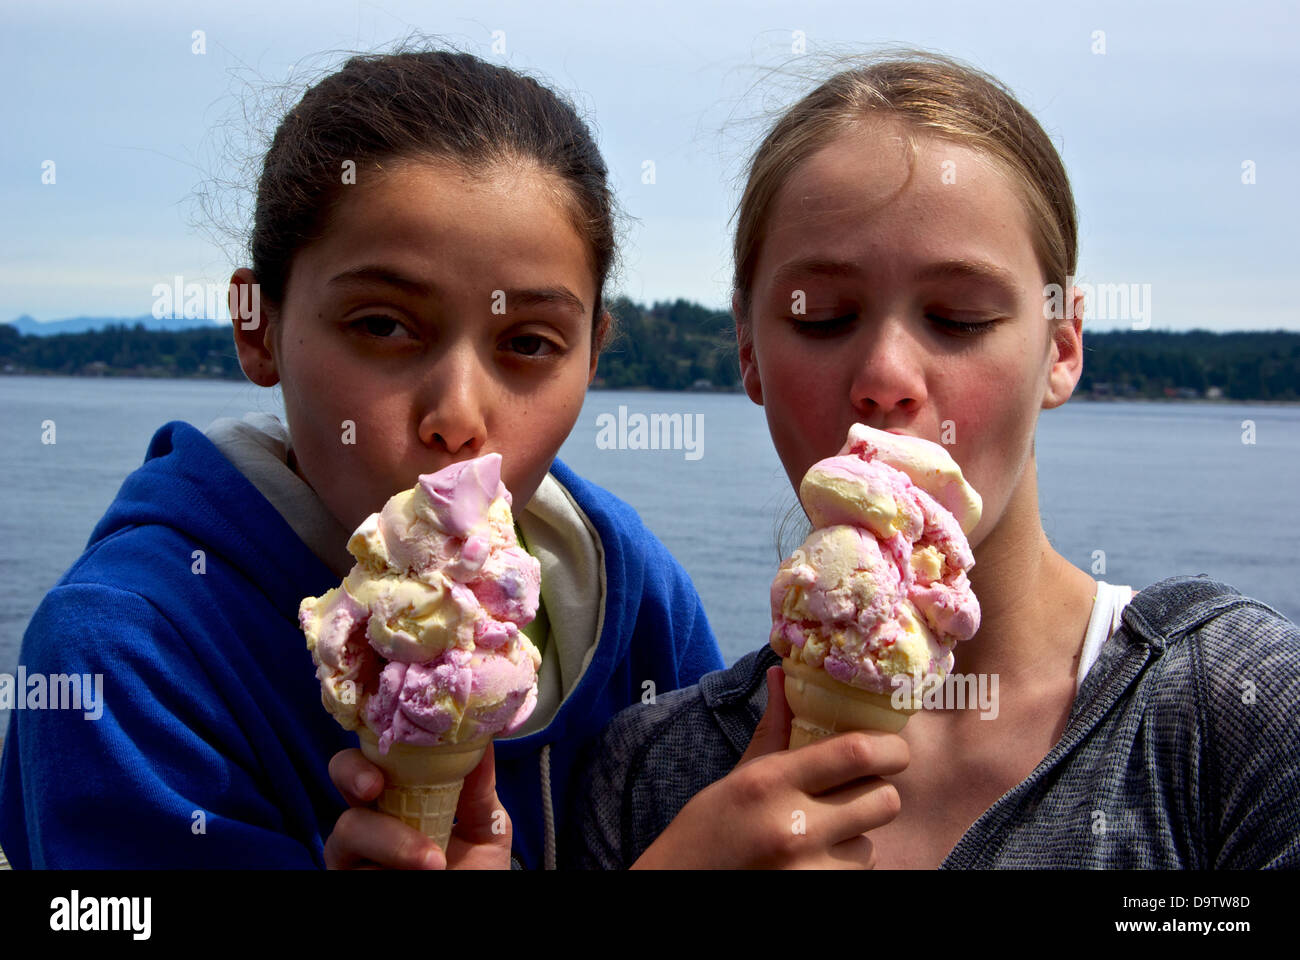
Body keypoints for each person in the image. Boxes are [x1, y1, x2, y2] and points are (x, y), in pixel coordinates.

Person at [565, 51, 1300, 869]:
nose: (885, 379)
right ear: (747, 347)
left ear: (1062, 345)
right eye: (824, 317)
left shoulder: (1231, 712)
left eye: (958, 317)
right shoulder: (648, 776)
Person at [0, 48, 723, 870]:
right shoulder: (125, 654)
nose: (457, 416)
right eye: (382, 325)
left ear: (593, 356)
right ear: (257, 324)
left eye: (528, 342)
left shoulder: (631, 592)